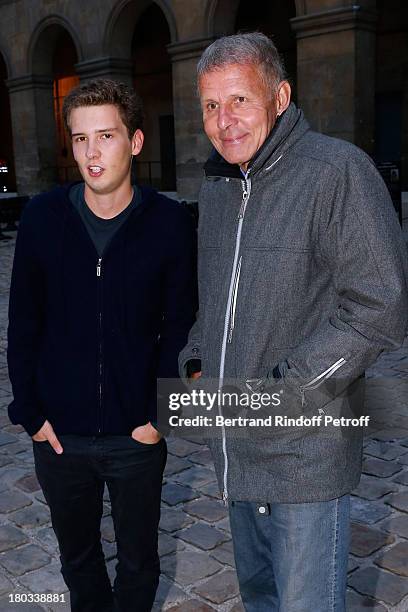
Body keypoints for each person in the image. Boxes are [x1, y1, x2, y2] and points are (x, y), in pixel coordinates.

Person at [179, 33, 408, 611]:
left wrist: (286, 390)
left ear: (279, 98)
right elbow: (212, 303)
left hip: (306, 453)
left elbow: (380, 305)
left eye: (239, 100)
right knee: (261, 601)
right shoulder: (216, 188)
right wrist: (197, 362)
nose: (223, 120)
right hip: (236, 450)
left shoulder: (337, 172)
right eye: (210, 104)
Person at [8, 78, 196, 612]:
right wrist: (31, 412)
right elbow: (23, 322)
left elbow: (180, 325)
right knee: (78, 561)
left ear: (135, 142)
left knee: (139, 563)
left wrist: (157, 416)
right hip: (60, 436)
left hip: (135, 434)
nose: (92, 153)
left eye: (106, 135)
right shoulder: (43, 219)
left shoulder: (168, 223)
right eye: (80, 138)